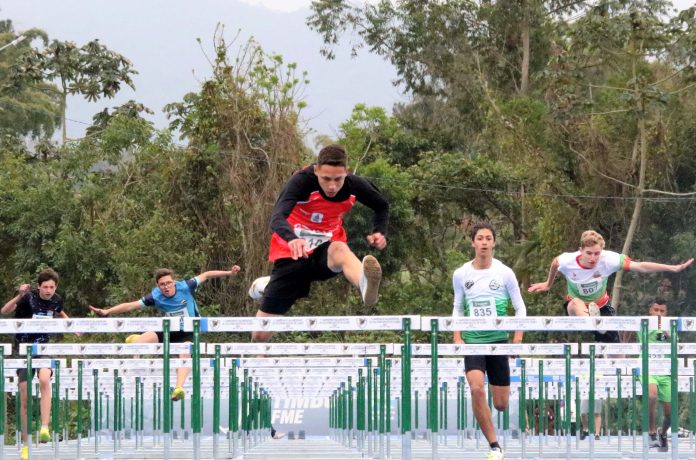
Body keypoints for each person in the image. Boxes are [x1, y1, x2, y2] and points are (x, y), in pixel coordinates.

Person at [249, 144, 389, 342]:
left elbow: (382, 205)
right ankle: (266, 285)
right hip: (294, 253)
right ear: (316, 170)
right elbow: (277, 217)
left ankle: (364, 283)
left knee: (340, 248)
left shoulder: (354, 185)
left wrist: (379, 231)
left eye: (338, 179)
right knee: (260, 335)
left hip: (325, 251)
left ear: (346, 172)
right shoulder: (301, 181)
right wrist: (292, 238)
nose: (332, 186)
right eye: (326, 179)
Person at [90, 265, 240, 401]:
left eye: (168, 283)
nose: (166, 287)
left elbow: (206, 275)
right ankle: (138, 339)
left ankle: (178, 388)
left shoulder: (186, 286)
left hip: (188, 332)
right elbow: (131, 305)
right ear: (158, 286)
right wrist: (107, 311)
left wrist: (229, 273)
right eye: (162, 284)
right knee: (136, 345)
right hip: (170, 329)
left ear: (174, 282)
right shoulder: (155, 296)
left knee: (185, 353)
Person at [528, 230, 692, 343]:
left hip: (601, 307)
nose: (593, 258)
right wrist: (548, 284)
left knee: (616, 350)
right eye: (589, 253)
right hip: (577, 307)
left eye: (597, 253)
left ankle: (597, 324)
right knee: (575, 303)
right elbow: (555, 264)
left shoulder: (609, 260)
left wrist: (672, 268)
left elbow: (640, 266)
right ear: (581, 250)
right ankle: (592, 321)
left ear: (602, 251)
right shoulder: (567, 260)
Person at [452, 222, 526, 460]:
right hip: (473, 341)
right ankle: (494, 445)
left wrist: (517, 339)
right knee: (476, 388)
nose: (484, 242)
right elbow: (458, 307)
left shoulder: (505, 272)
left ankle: (494, 419)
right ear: (473, 242)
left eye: (488, 238)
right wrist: (457, 337)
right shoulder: (461, 274)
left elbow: (520, 307)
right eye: (480, 238)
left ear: (494, 243)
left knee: (501, 404)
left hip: (498, 341)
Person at [1, 268, 77, 460]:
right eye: (45, 287)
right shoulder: (28, 297)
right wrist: (19, 295)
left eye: (52, 287)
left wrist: (73, 327)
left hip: (43, 348)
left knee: (44, 378)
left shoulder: (57, 300)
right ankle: (26, 443)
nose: (49, 291)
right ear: (39, 286)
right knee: (25, 395)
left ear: (56, 287)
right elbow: (5, 311)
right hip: (22, 349)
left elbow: (59, 312)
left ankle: (44, 427)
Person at [640, 298, 672, 450]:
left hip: (665, 371)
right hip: (648, 368)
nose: (658, 313)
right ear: (650, 311)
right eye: (656, 310)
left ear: (666, 313)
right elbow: (629, 330)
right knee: (652, 395)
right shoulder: (643, 325)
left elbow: (671, 341)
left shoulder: (670, 327)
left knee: (670, 414)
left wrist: (667, 334)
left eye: (662, 311)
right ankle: (651, 432)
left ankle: (662, 433)